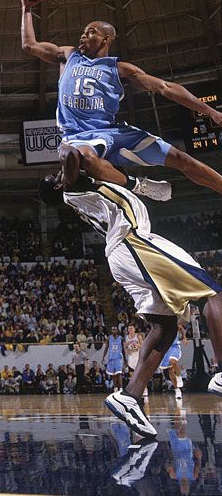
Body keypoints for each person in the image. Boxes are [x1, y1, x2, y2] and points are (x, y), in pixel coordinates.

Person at [38, 143, 222, 438]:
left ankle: (130, 396)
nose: (58, 172)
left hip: (122, 254)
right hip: (133, 241)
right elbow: (72, 155)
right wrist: (63, 146)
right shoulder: (70, 186)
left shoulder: (85, 187)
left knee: (164, 327)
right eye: (54, 175)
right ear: (59, 184)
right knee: (213, 295)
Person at [21, 0, 222, 198]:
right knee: (86, 160)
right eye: (83, 31)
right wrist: (26, 7)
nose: (83, 34)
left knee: (182, 159)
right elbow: (29, 45)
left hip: (114, 132)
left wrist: (210, 112)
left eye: (91, 32)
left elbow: (165, 87)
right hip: (79, 135)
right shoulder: (68, 56)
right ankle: (139, 186)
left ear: (105, 39)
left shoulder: (120, 69)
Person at [159, 325, 186, 400]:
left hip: (174, 346)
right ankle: (177, 390)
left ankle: (178, 376)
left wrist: (184, 338)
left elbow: (181, 328)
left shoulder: (173, 322)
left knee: (172, 361)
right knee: (170, 372)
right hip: (166, 349)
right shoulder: (160, 326)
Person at [102, 326, 125, 391]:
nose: (114, 330)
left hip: (118, 358)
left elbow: (123, 349)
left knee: (119, 373)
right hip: (111, 358)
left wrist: (125, 360)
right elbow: (106, 348)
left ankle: (120, 388)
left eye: (115, 329)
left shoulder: (121, 338)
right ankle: (115, 388)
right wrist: (103, 357)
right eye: (112, 329)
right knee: (113, 374)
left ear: (117, 330)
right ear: (111, 330)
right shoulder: (109, 338)